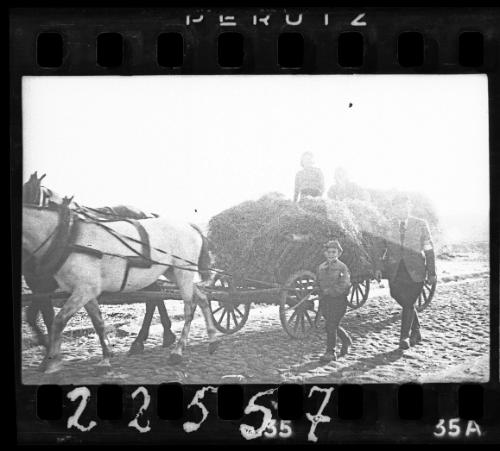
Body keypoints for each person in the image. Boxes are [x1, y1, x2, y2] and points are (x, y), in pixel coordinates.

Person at [374, 194, 437, 350]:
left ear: (409, 207)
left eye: (404, 206)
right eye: (397, 207)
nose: (401, 209)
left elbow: (429, 249)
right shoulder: (387, 225)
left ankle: (404, 337)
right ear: (394, 209)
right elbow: (379, 248)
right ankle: (416, 330)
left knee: (408, 302)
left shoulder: (421, 224)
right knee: (396, 295)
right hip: (395, 270)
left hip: (416, 270)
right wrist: (378, 267)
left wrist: (432, 272)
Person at [316, 239, 353, 363]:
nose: (331, 254)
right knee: (332, 324)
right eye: (329, 252)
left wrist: (330, 291)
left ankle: (330, 352)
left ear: (339, 253)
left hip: (339, 301)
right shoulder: (321, 267)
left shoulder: (342, 267)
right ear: (325, 253)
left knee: (330, 325)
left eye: (334, 252)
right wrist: (319, 291)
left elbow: (344, 285)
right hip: (325, 301)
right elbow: (318, 282)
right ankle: (346, 340)